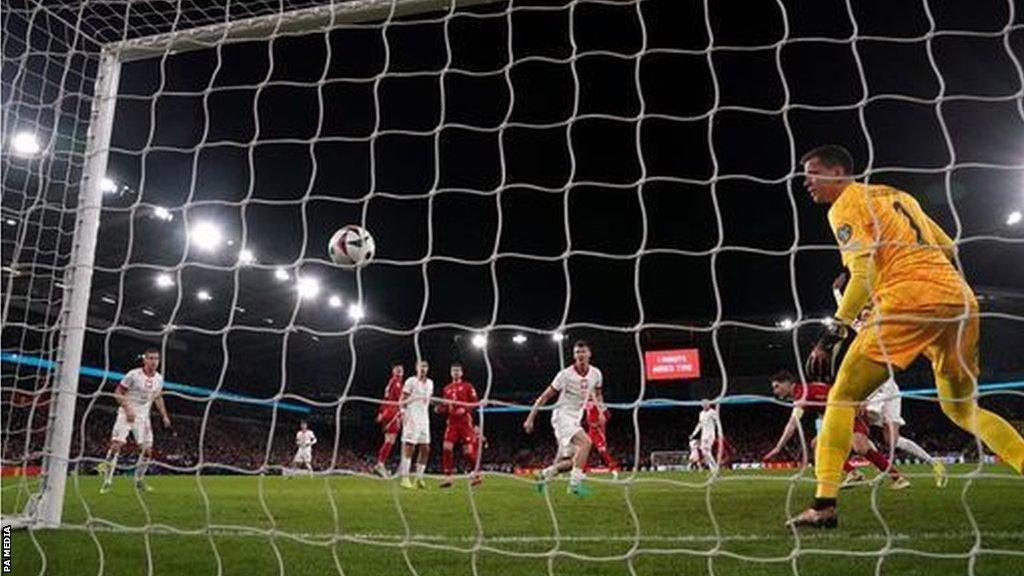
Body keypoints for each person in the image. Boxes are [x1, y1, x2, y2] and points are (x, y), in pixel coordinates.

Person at [791, 145, 1024, 528]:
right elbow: (947, 246)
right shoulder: (897, 195)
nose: (806, 182)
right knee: (962, 409)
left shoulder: (845, 205)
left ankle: (823, 505)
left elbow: (863, 273)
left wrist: (836, 328)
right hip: (959, 301)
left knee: (842, 397)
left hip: (907, 300)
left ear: (838, 172)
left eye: (813, 173)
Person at [762, 371, 909, 492]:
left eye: (777, 386)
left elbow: (792, 425)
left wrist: (778, 448)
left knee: (860, 447)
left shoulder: (803, 393)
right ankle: (853, 472)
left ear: (788, 383)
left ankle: (897, 477)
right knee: (817, 445)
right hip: (837, 417)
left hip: (851, 412)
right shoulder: (805, 390)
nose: (775, 391)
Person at [523, 340, 604, 496]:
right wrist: (530, 418)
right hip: (562, 416)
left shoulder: (596, 374)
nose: (580, 355)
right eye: (577, 352)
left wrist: (600, 411)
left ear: (589, 354)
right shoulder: (565, 375)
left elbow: (598, 394)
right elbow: (544, 397)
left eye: (583, 352)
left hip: (575, 418)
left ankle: (544, 474)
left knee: (571, 462)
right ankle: (574, 485)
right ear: (574, 355)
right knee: (586, 443)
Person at [97, 349, 171, 493]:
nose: (154, 361)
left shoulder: (159, 379)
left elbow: (158, 397)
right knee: (116, 446)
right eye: (150, 358)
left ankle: (139, 481)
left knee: (148, 452)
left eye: (156, 359)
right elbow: (118, 393)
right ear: (145, 360)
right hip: (126, 414)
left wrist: (164, 415)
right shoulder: (133, 374)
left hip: (143, 418)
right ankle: (107, 481)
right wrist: (127, 408)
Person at [863, 378, 946, 487]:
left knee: (888, 439)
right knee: (870, 435)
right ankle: (884, 470)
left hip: (885, 391)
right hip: (875, 391)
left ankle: (933, 463)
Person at [437, 362, 482, 487]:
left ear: (461, 373)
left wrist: (465, 409)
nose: (456, 372)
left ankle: (477, 474)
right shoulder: (446, 389)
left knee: (467, 452)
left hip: (465, 422)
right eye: (453, 370)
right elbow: (445, 406)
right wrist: (440, 409)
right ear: (451, 373)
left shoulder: (468, 386)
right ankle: (448, 478)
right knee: (446, 447)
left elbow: (475, 403)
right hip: (452, 423)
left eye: (458, 370)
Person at [400, 360, 433, 489]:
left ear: (428, 368)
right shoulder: (411, 381)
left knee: (425, 448)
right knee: (410, 447)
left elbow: (426, 401)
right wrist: (403, 412)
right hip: (412, 418)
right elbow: (402, 399)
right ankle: (405, 478)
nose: (423, 368)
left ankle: (419, 479)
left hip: (424, 419)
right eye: (420, 366)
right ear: (416, 368)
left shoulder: (430, 383)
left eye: (425, 366)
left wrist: (440, 404)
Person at [374, 362, 405, 477]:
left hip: (388, 411)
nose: (399, 371)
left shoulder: (391, 382)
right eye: (397, 369)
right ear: (393, 371)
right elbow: (401, 400)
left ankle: (381, 464)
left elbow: (385, 398)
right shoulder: (396, 383)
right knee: (390, 440)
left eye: (401, 369)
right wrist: (401, 414)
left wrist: (381, 412)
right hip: (393, 412)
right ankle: (380, 464)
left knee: (389, 440)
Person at [583, 398, 619, 478]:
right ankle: (582, 472)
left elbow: (608, 416)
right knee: (586, 450)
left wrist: (599, 423)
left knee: (602, 451)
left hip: (598, 431)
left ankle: (614, 470)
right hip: (591, 431)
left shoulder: (599, 403)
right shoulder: (586, 402)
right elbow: (586, 415)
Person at [689, 399, 720, 472]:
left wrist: (719, 432)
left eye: (706, 404)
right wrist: (693, 434)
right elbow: (699, 425)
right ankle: (714, 469)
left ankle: (714, 469)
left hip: (710, 435)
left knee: (706, 451)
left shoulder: (712, 412)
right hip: (703, 435)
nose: (704, 406)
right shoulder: (701, 413)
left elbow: (717, 422)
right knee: (704, 452)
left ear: (708, 405)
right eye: (703, 404)